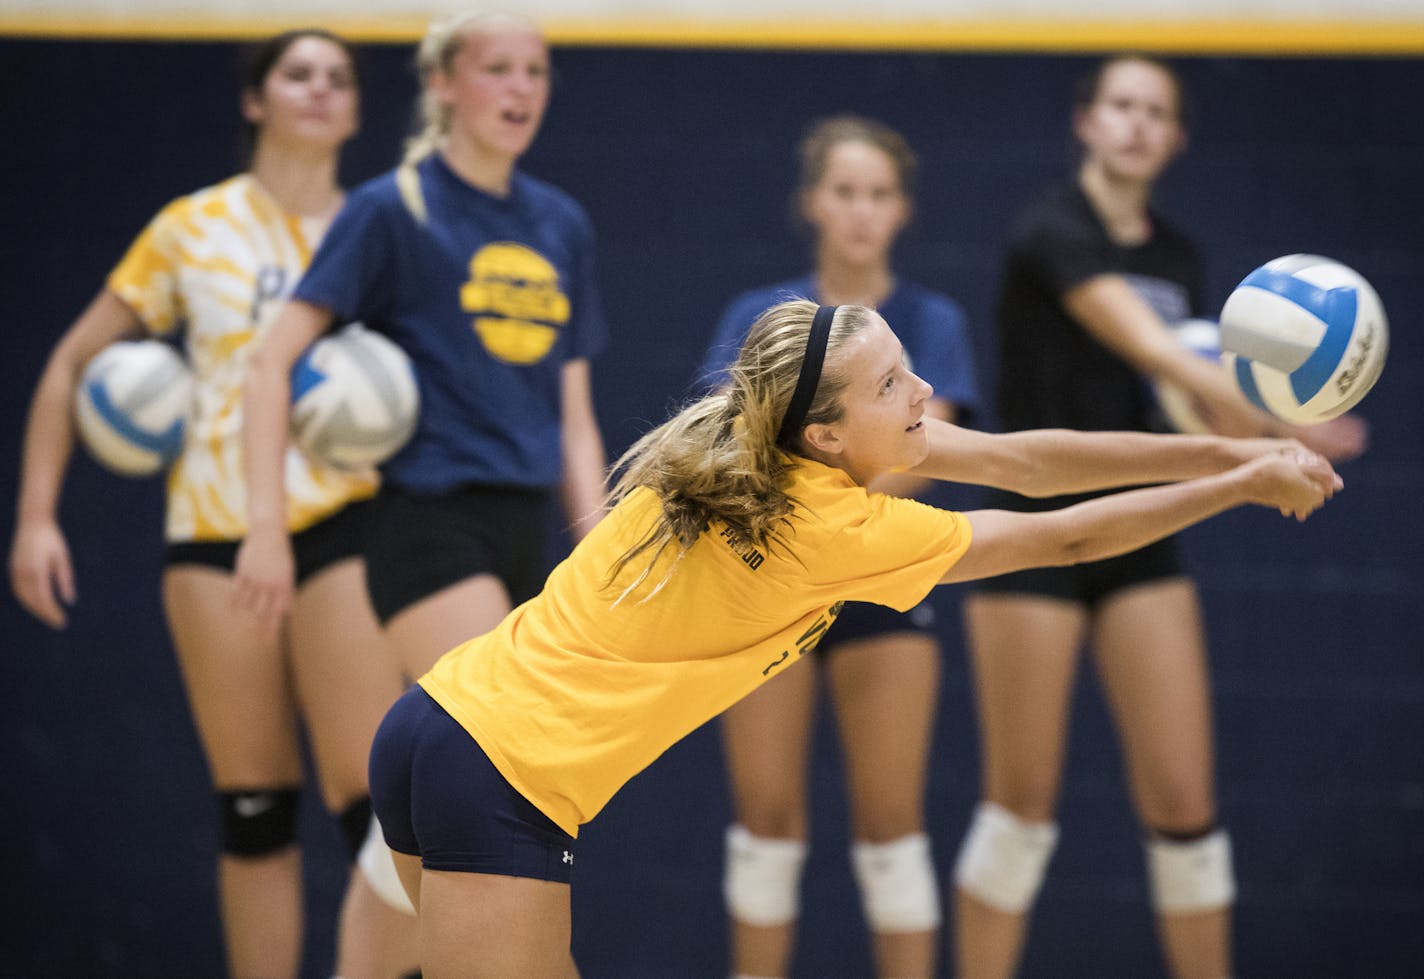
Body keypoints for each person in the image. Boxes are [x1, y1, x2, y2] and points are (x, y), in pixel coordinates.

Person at [365, 299, 1339, 978]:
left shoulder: (744, 433)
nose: (921, 392)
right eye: (889, 385)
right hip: (501, 771)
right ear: (827, 435)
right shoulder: (831, 529)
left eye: (904, 364)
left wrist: (1235, 442)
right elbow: (1065, 531)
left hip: (432, 730)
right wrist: (1237, 489)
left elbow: (1028, 460)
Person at [8, 30, 418, 979]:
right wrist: (36, 514)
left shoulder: (380, 227)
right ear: (254, 100)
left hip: (343, 526)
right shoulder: (190, 226)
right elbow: (70, 363)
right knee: (254, 807)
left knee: (379, 806)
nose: (320, 91)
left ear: (358, 111)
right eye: (297, 74)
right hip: (211, 535)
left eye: (339, 79)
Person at [952, 55, 1367, 979]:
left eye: (1157, 112)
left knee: (1184, 803)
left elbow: (1191, 398)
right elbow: (1145, 345)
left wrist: (1262, 400)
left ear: (1177, 139)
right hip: (1028, 528)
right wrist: (1281, 425)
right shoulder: (1048, 228)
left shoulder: (1179, 258)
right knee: (1019, 809)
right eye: (1121, 106)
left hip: (1137, 526)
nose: (1137, 124)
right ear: (1087, 122)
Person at [235, 10, 608, 913]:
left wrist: (602, 545)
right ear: (442, 83)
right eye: (497, 69)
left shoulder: (561, 222)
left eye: (536, 71)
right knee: (496, 766)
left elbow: (574, 414)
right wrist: (264, 529)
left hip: (531, 526)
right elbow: (268, 361)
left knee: (450, 799)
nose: (521, 88)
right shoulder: (391, 209)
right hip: (430, 522)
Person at [697, 116, 977, 979]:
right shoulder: (761, 319)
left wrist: (822, 524)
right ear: (813, 202)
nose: (862, 211)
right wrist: (804, 534)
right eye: (846, 191)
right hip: (769, 588)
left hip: (881, 582)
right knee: (766, 823)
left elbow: (935, 451)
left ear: (902, 209)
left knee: (893, 826)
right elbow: (722, 445)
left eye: (880, 193)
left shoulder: (931, 320)